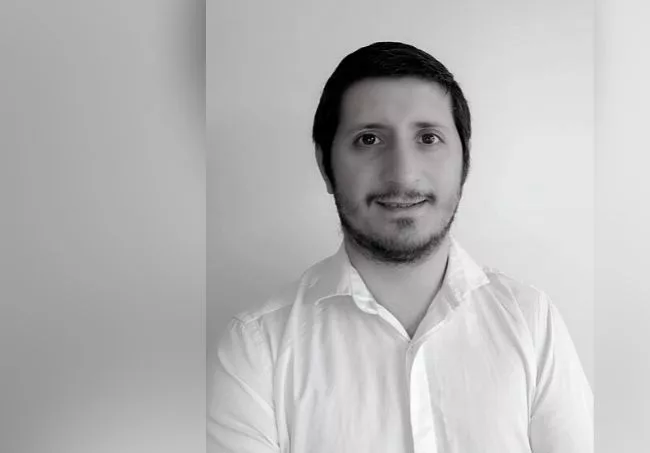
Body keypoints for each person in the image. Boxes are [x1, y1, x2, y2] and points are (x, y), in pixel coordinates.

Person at [207, 41, 593, 453]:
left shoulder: (532, 322)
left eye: (428, 137)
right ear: (325, 165)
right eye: (369, 139)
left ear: (465, 161)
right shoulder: (257, 347)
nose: (403, 174)